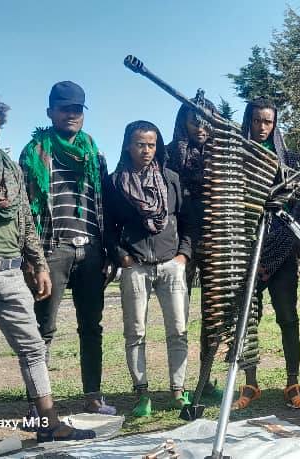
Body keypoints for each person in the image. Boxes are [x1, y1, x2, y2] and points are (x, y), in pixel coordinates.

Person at [0, 93, 96, 449]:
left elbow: (26, 218)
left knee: (33, 346)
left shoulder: (11, 171)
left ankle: (49, 423)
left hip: (12, 271)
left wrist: (38, 264)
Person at [19, 81, 115, 415]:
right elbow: (24, 209)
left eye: (77, 109)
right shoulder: (34, 152)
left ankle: (93, 396)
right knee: (43, 330)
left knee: (92, 327)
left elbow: (104, 206)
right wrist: (31, 260)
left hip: (91, 251)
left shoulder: (94, 154)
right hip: (51, 251)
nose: (71, 115)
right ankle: (38, 405)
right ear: (50, 112)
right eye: (64, 109)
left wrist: (107, 252)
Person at [104, 121, 193, 416]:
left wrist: (183, 255)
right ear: (128, 146)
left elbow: (187, 220)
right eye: (140, 144)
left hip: (171, 265)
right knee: (136, 332)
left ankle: (178, 391)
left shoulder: (170, 179)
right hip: (135, 267)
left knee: (178, 329)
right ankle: (142, 394)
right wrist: (122, 258)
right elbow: (108, 227)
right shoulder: (115, 182)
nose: (146, 150)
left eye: (151, 144)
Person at [232, 98, 300, 409]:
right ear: (248, 121)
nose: (262, 127)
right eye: (257, 120)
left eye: (268, 121)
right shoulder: (236, 159)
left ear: (275, 124)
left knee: (288, 317)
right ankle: (250, 383)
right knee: (247, 320)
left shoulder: (290, 160)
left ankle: (292, 382)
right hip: (245, 253)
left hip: (281, 255)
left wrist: (274, 258)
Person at [165, 95, 217, 396]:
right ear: (184, 122)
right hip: (178, 243)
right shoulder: (168, 153)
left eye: (206, 121)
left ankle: (205, 379)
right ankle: (179, 383)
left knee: (212, 314)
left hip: (214, 239)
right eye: (194, 121)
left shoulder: (221, 156)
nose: (201, 127)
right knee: (178, 314)